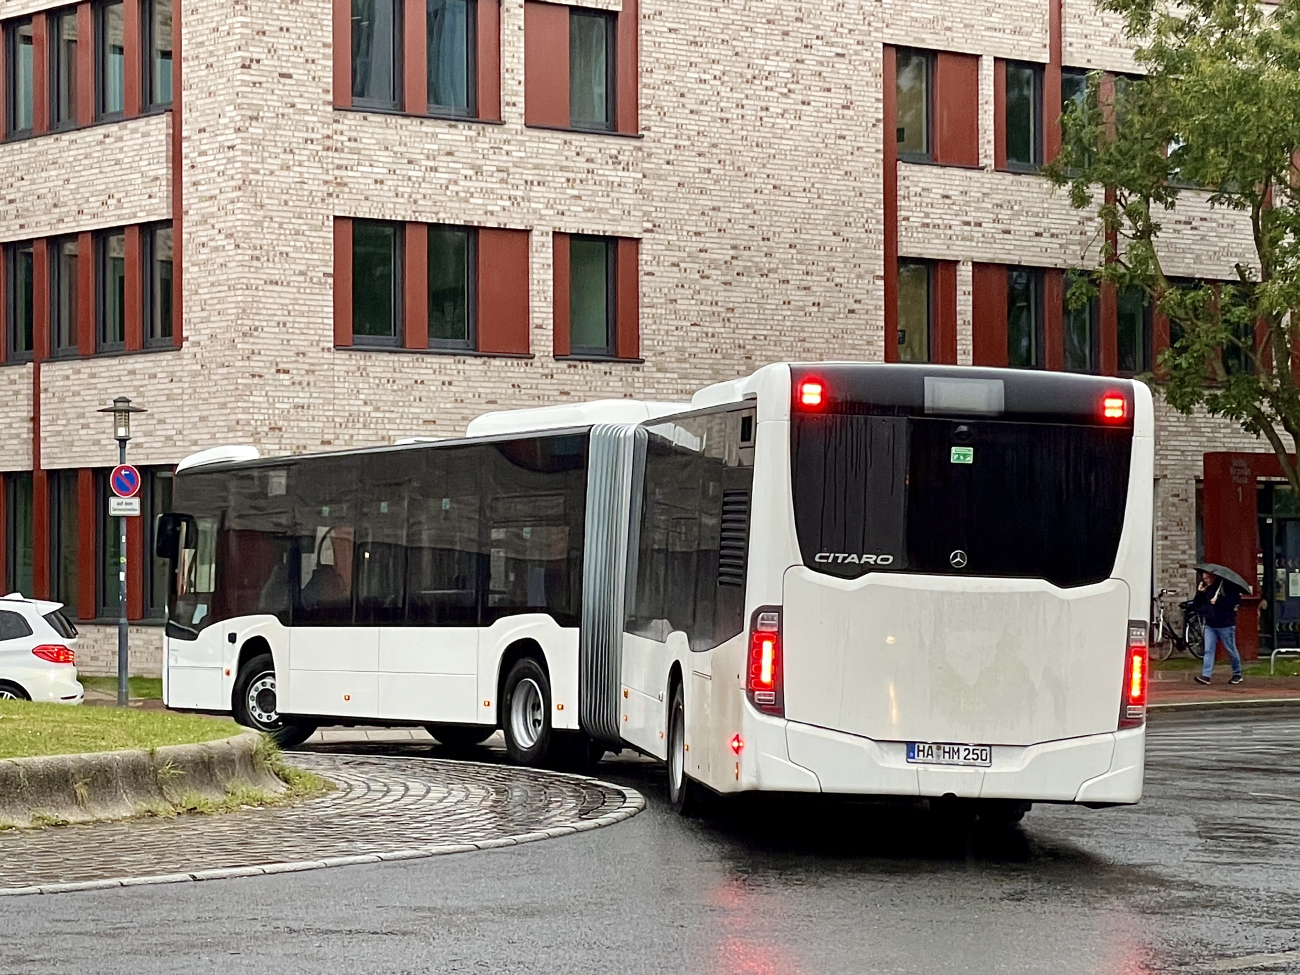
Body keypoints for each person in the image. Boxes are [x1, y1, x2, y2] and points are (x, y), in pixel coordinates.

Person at [1192, 570, 1243, 686]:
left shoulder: (1227, 587)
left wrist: (1218, 601)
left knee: (1231, 650)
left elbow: (1232, 601)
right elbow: (1197, 604)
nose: (1206, 581)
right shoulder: (1207, 589)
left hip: (1225, 624)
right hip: (1210, 624)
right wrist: (1200, 593)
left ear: (1213, 577)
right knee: (1208, 650)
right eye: (1204, 579)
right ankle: (1206, 675)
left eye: (1208, 579)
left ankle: (1237, 673)